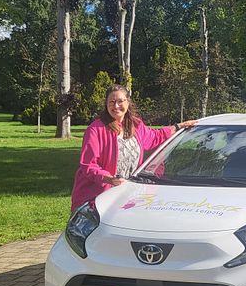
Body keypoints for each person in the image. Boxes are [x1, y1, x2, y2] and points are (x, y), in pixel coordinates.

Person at [70, 84, 198, 211]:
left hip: (126, 195)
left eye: (120, 101)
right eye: (112, 102)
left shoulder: (135, 125)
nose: (116, 106)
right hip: (96, 198)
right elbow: (88, 165)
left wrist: (178, 127)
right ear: (106, 104)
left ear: (127, 102)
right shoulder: (95, 129)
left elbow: (154, 137)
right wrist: (110, 179)